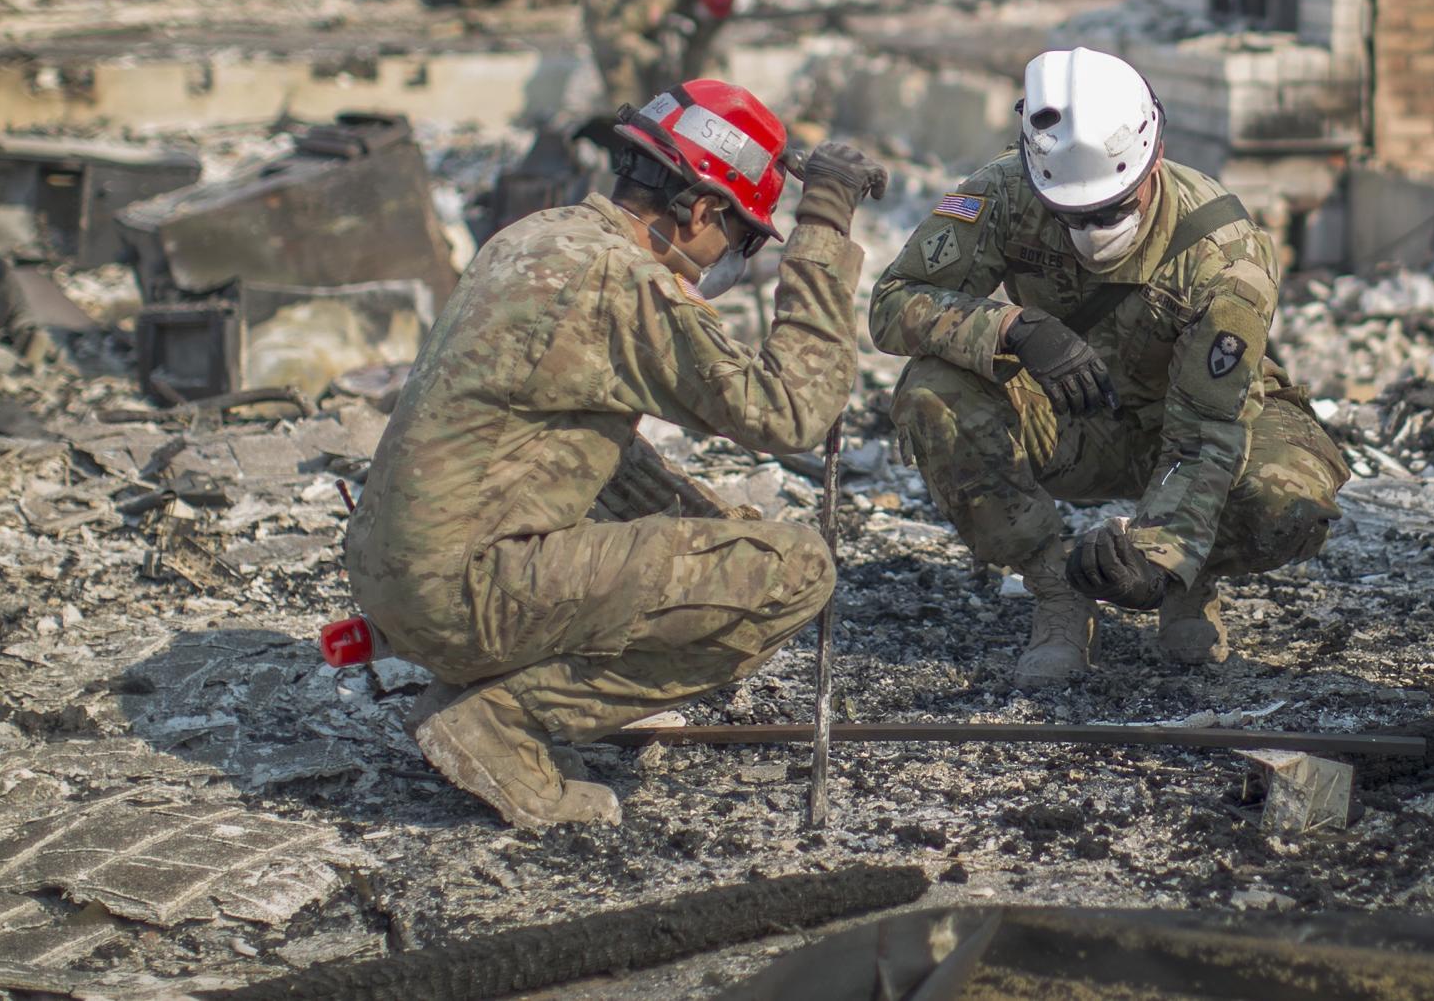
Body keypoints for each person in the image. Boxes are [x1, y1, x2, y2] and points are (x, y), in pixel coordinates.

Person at [342, 78, 887, 828]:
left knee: (723, 544)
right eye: (744, 237)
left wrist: (703, 527)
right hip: (463, 592)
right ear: (701, 210)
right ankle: (501, 723)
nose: (735, 256)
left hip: (398, 576)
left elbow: (582, 449)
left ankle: (485, 690)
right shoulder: (618, 279)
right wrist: (822, 226)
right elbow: (791, 407)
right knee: (797, 571)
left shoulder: (539, 238)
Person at [870, 47, 1348, 687]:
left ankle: (1192, 583)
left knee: (1287, 497)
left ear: (1151, 162)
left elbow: (1209, 428)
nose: (1095, 230)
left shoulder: (1223, 253)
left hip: (1188, 425)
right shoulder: (1003, 193)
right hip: (1073, 422)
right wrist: (1014, 326)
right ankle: (1058, 595)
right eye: (1074, 216)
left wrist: (1160, 557)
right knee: (932, 395)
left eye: (1114, 208)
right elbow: (893, 302)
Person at [582, 0, 747, 113]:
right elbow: (617, 33)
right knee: (628, 87)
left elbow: (697, 52)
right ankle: (617, 129)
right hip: (607, 13)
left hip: (631, 20)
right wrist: (653, 58)